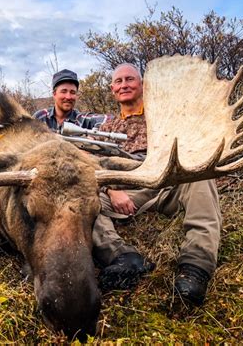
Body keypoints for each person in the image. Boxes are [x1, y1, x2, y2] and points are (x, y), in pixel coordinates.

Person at [94, 63, 222, 306]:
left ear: (142, 85)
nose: (124, 85)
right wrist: (112, 190)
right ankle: (123, 257)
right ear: (112, 89)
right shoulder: (105, 129)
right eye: (118, 81)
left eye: (130, 79)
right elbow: (90, 166)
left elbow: (192, 150)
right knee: (80, 203)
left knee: (201, 178)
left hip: (166, 186)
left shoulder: (164, 117)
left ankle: (195, 268)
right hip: (124, 191)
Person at [33, 69, 111, 131]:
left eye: (72, 92)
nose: (68, 97)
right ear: (54, 94)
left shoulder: (82, 120)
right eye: (64, 91)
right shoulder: (40, 117)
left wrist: (94, 136)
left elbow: (108, 119)